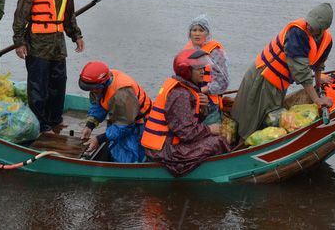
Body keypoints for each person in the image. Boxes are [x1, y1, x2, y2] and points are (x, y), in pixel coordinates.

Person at [231, 3, 335, 140]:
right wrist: (317, 99)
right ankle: (241, 144)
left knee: (264, 114)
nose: (309, 27)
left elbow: (318, 64)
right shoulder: (297, 33)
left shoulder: (327, 40)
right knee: (252, 115)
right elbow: (301, 71)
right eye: (309, 23)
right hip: (263, 77)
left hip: (279, 83)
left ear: (322, 29)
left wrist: (318, 80)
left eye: (314, 26)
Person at [12, 0, 84, 135]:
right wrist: (19, 42)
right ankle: (40, 124)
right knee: (39, 86)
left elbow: (69, 17)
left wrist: (76, 36)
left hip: (58, 46)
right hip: (37, 45)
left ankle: (55, 120)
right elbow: (20, 18)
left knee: (59, 83)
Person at [142, 49, 230, 177]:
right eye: (198, 68)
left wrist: (202, 109)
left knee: (213, 138)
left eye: (202, 67)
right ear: (186, 71)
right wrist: (210, 129)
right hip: (165, 151)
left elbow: (187, 122)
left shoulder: (186, 89)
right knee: (218, 141)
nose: (203, 71)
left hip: (168, 144)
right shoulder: (180, 94)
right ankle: (216, 172)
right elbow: (187, 133)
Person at [78, 61, 152, 163]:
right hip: (121, 119)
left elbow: (124, 125)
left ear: (102, 84)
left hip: (139, 125)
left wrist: (99, 139)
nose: (92, 91)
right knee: (114, 147)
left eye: (93, 89)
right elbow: (98, 105)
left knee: (126, 158)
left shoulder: (123, 93)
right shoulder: (99, 87)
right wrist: (89, 125)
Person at [183, 14, 230, 125]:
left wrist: (201, 91)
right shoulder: (187, 51)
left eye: (201, 30)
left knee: (209, 136)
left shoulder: (215, 52)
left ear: (207, 33)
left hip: (210, 105)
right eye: (194, 30)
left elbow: (223, 82)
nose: (197, 33)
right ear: (190, 33)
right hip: (190, 102)